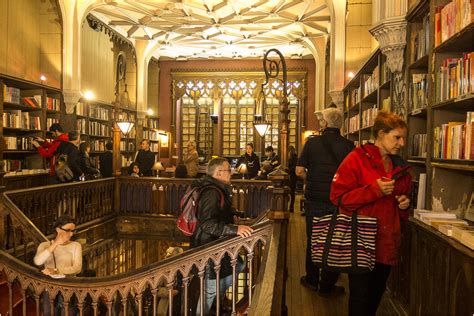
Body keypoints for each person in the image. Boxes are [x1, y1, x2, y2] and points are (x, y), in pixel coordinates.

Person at [330, 111, 411, 316]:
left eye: (403, 138)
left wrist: (403, 204)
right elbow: (338, 198)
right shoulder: (356, 159)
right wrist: (374, 191)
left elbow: (400, 200)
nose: (401, 143)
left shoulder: (399, 166)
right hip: (361, 242)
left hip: (387, 242)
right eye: (397, 137)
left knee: (376, 294)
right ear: (381, 134)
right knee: (360, 297)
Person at [296, 107, 354, 296]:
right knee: (335, 242)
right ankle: (327, 285)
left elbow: (298, 171)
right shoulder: (349, 146)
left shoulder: (312, 144)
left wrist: (310, 180)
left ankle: (312, 279)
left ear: (325, 123)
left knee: (314, 239)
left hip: (315, 200)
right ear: (341, 125)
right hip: (339, 202)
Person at [190, 157, 254, 315]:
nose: (231, 173)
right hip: (209, 245)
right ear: (219, 173)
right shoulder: (211, 192)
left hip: (218, 243)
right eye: (228, 170)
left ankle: (216, 302)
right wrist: (234, 229)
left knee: (238, 265)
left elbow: (217, 212)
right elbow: (207, 224)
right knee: (210, 289)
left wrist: (233, 214)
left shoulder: (217, 188)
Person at [34, 214, 82, 315]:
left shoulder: (76, 246)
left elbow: (77, 268)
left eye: (73, 231)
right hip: (50, 288)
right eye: (68, 230)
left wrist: (56, 270)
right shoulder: (45, 245)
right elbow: (38, 261)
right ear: (58, 229)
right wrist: (55, 244)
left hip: (69, 287)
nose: (71, 234)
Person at [287, 145, 298, 212]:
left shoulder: (291, 158)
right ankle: (291, 207)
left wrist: (288, 169)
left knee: (290, 192)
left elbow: (292, 167)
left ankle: (290, 207)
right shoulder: (296, 157)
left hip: (291, 176)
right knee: (292, 193)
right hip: (294, 176)